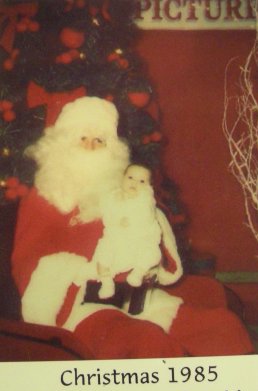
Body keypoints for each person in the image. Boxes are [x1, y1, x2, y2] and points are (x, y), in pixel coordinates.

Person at [11, 96, 254, 359]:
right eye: (82, 138)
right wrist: (85, 271)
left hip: (138, 300)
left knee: (222, 328)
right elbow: (29, 263)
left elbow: (157, 241)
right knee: (145, 342)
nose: (91, 147)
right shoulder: (42, 197)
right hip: (81, 307)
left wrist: (151, 243)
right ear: (62, 144)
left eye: (100, 140)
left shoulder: (125, 191)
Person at [78, 163, 182, 299]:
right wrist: (116, 221)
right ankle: (106, 282)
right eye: (131, 177)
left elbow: (147, 218)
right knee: (103, 255)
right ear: (123, 178)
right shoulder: (112, 198)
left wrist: (132, 219)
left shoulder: (145, 200)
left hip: (139, 239)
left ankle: (138, 272)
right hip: (116, 239)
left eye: (142, 181)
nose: (135, 183)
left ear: (148, 187)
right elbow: (106, 216)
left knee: (152, 254)